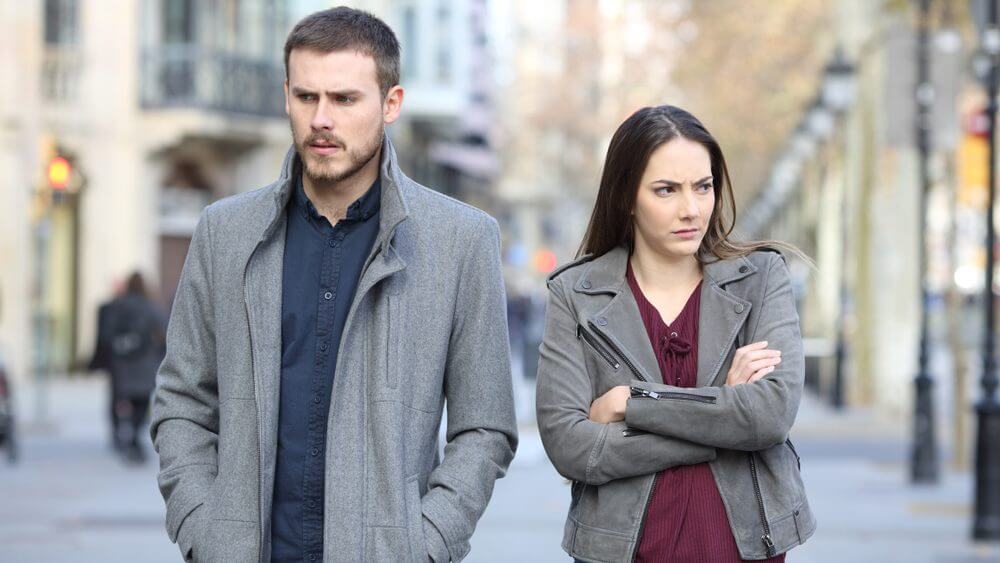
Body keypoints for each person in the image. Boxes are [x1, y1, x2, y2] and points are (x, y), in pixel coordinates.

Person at [149, 7, 517, 562]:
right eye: (306, 97)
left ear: (390, 104)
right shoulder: (224, 233)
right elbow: (182, 400)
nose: (322, 119)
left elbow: (485, 427)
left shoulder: (461, 242)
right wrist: (204, 530)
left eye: (345, 99)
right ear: (287, 96)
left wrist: (426, 543)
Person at [535, 105, 815, 562]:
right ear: (627, 195)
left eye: (702, 187)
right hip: (622, 550)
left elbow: (769, 416)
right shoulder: (576, 294)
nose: (691, 209)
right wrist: (721, 412)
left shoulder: (761, 277)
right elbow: (570, 446)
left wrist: (632, 403)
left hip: (742, 550)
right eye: (666, 190)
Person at [94, 272, 166, 463]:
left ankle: (121, 435)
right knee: (141, 403)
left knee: (119, 400)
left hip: (122, 364)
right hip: (144, 363)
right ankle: (133, 436)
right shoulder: (149, 306)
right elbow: (165, 328)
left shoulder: (118, 306)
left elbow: (106, 334)